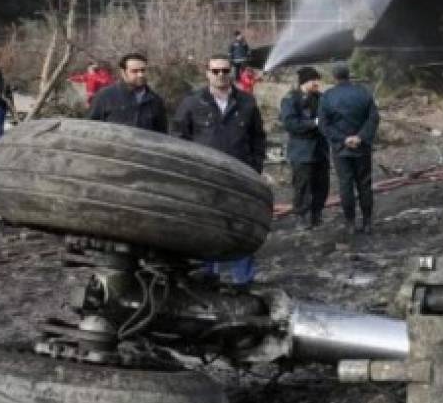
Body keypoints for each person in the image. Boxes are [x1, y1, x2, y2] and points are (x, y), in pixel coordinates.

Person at [174, 55, 267, 284]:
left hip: (240, 176)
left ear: (231, 73)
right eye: (215, 71)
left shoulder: (246, 102)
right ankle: (207, 275)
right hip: (204, 177)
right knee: (203, 225)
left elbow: (258, 138)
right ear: (207, 73)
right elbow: (179, 138)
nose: (221, 75)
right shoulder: (192, 102)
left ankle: (242, 279)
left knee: (241, 226)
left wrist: (254, 168)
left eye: (225, 70)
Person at [318, 62, 380, 234]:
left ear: (334, 76)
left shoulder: (328, 97)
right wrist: (360, 136)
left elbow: (324, 125)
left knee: (345, 185)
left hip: (340, 149)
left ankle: (350, 223)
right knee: (365, 184)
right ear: (349, 74)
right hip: (362, 147)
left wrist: (343, 139)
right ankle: (367, 222)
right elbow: (374, 118)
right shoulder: (363, 92)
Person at [281, 66, 330, 230]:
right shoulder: (290, 99)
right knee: (302, 185)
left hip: (320, 150)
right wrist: (314, 123)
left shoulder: (321, 98)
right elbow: (291, 124)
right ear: (305, 82)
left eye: (318, 79)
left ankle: (317, 214)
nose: (317, 83)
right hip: (302, 151)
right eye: (314, 80)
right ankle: (301, 216)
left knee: (321, 184)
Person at [88, 53, 168, 133]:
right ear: (123, 72)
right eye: (134, 71)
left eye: (143, 70)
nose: (140, 75)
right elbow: (90, 128)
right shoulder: (105, 96)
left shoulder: (155, 101)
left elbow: (162, 135)